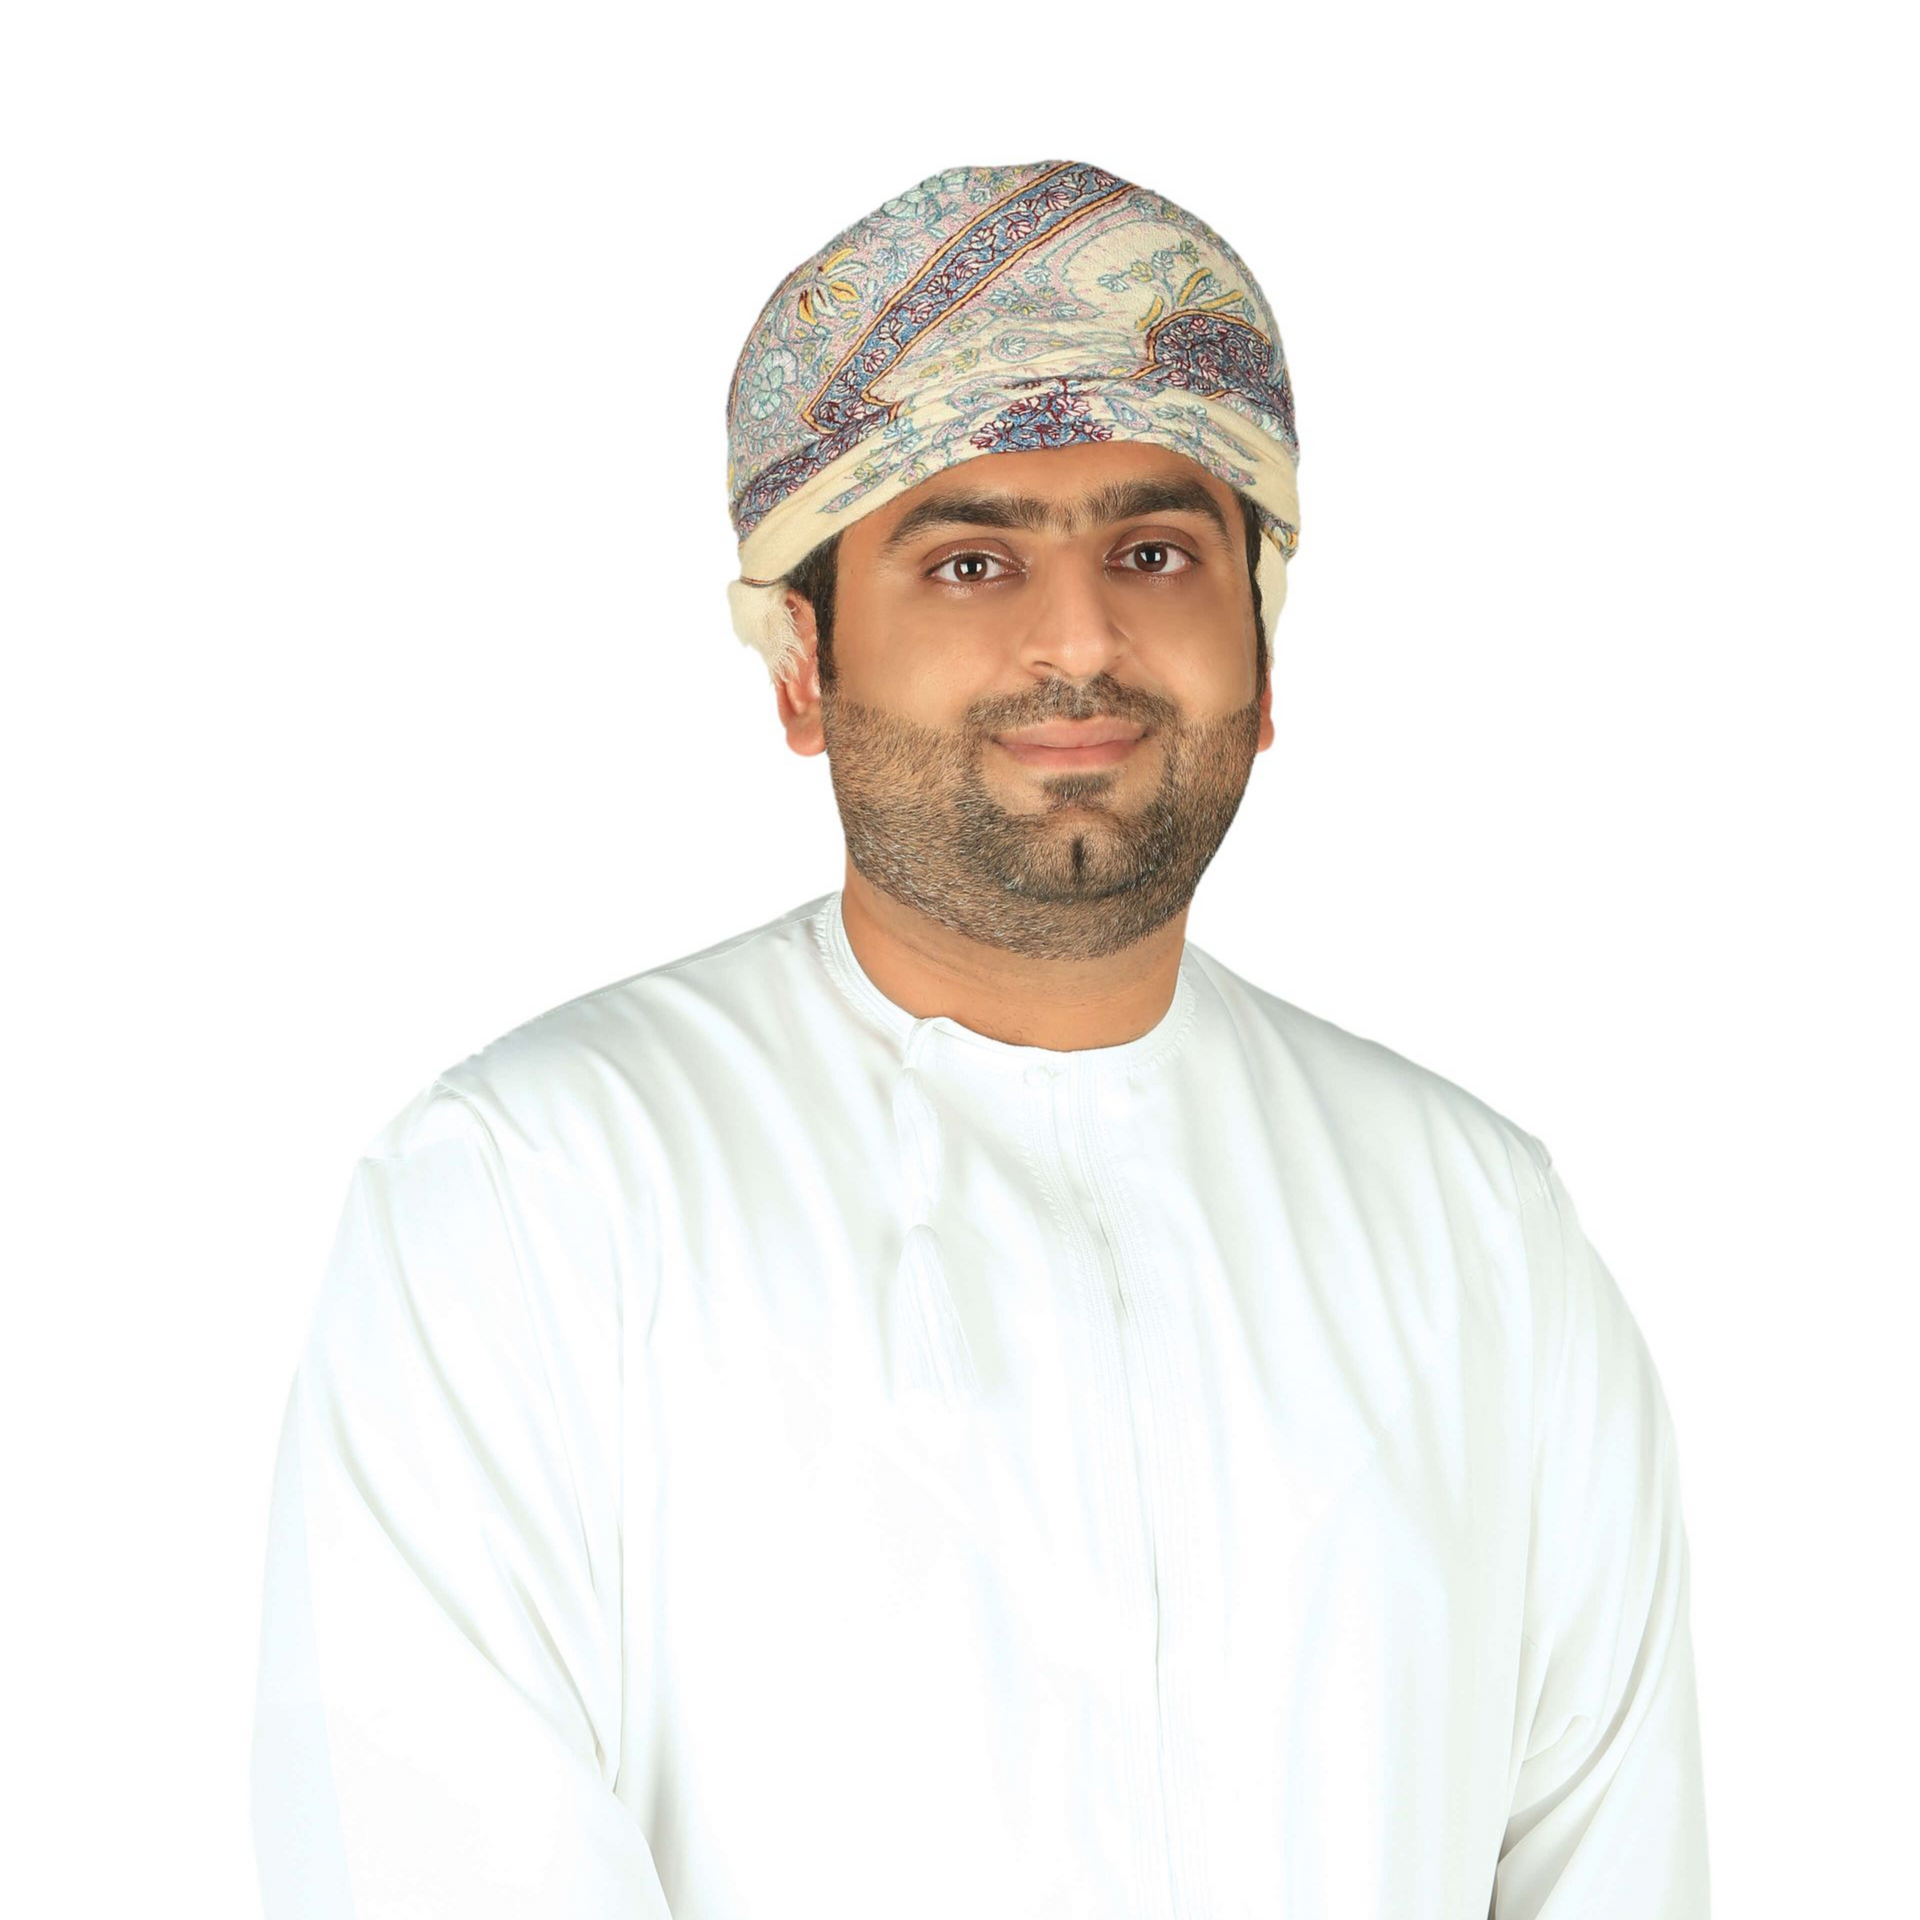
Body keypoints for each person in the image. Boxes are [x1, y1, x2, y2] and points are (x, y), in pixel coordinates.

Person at [250, 159, 1711, 1918]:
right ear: (802, 663)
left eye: (1156, 550)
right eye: (968, 560)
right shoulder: (535, 1200)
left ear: (1264, 641)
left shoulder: (1483, 1242)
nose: (1079, 639)